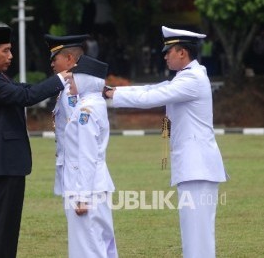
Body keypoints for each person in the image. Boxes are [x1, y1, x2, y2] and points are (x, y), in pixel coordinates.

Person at [104, 26, 228, 258]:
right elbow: (153, 88)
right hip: (194, 168)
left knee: (197, 237)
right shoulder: (185, 77)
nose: (164, 55)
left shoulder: (192, 78)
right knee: (193, 234)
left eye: (168, 51)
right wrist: (113, 90)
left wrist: (112, 95)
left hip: (197, 168)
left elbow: (152, 97)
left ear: (182, 53)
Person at [0, 26, 72, 258]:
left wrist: (54, 83)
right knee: (3, 228)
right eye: (6, 51)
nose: (11, 56)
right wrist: (59, 78)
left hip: (10, 162)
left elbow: (24, 89)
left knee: (9, 228)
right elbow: (25, 97)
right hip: (3, 161)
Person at [63, 55, 118, 258]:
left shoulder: (86, 110)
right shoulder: (94, 104)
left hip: (87, 188)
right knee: (101, 244)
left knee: (88, 248)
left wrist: (82, 197)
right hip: (95, 184)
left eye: (73, 77)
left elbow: (87, 155)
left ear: (86, 79)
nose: (69, 80)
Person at [44, 34, 89, 196]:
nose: (52, 64)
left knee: (77, 213)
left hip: (75, 161)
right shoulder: (67, 86)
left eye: (55, 59)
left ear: (69, 58)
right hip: (69, 159)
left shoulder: (73, 89)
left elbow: (78, 127)